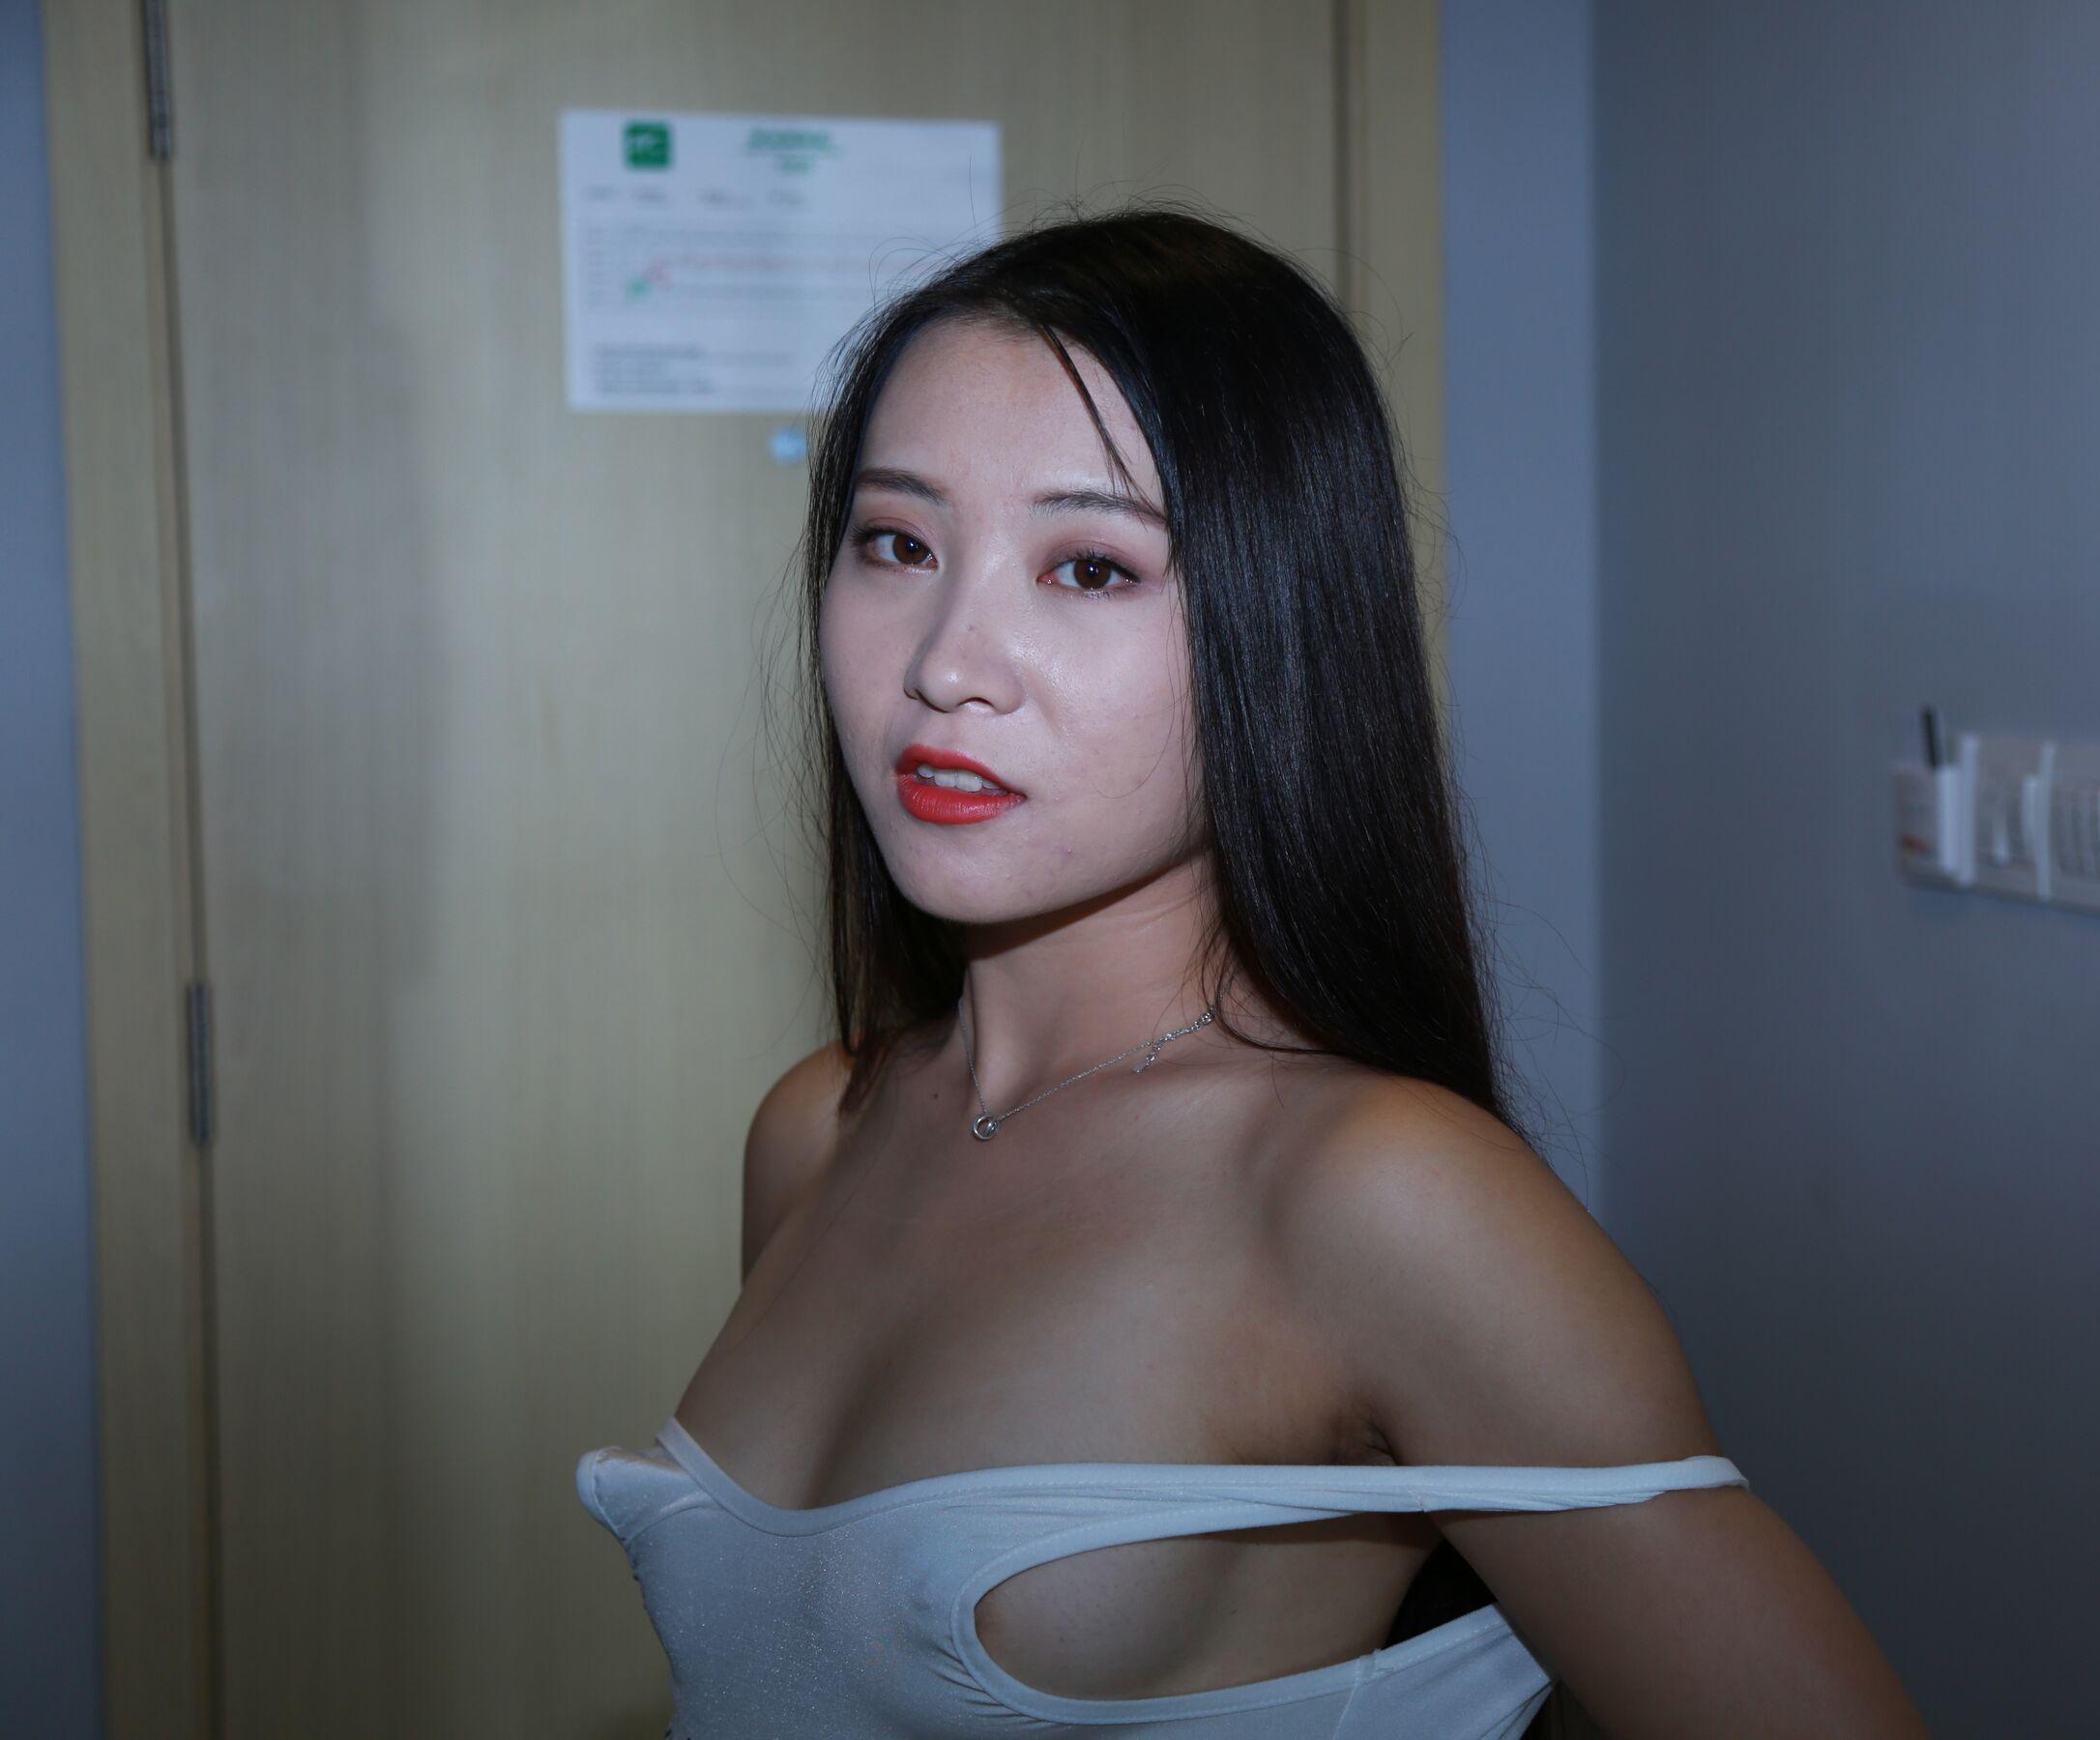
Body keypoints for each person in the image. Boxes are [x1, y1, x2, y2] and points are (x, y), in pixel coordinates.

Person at [575, 204, 1925, 1738]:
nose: (945, 661)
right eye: (899, 542)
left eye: (1091, 567)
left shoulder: (1379, 1196)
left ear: (1283, 622)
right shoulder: (819, 1130)